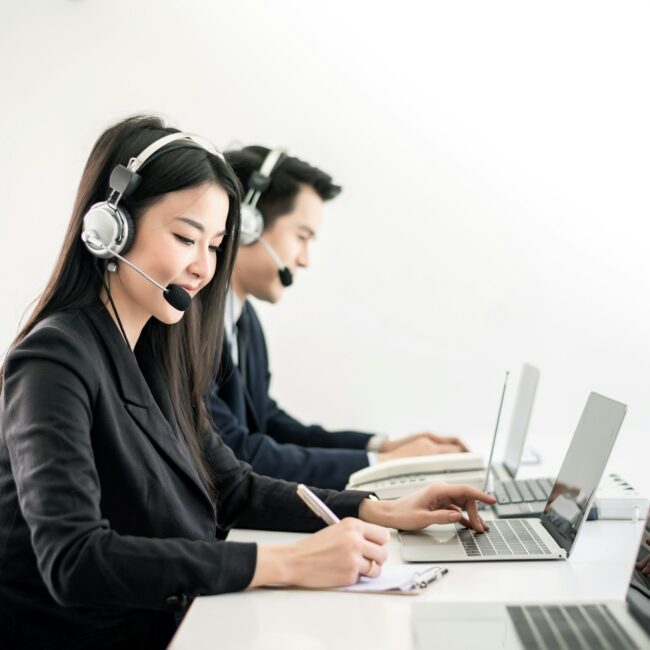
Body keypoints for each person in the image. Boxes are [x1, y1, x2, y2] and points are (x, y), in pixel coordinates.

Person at [0, 116, 494, 649]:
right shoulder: (53, 359)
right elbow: (75, 560)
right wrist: (288, 562)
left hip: (172, 626)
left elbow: (232, 487)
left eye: (214, 246)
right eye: (186, 238)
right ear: (110, 228)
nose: (202, 268)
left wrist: (381, 508)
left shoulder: (153, 349)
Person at [209, 146, 468, 490]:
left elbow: (267, 422)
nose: (304, 260)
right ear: (247, 224)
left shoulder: (244, 320)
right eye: (301, 237)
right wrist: (386, 465)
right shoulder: (188, 325)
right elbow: (238, 451)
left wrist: (381, 446)